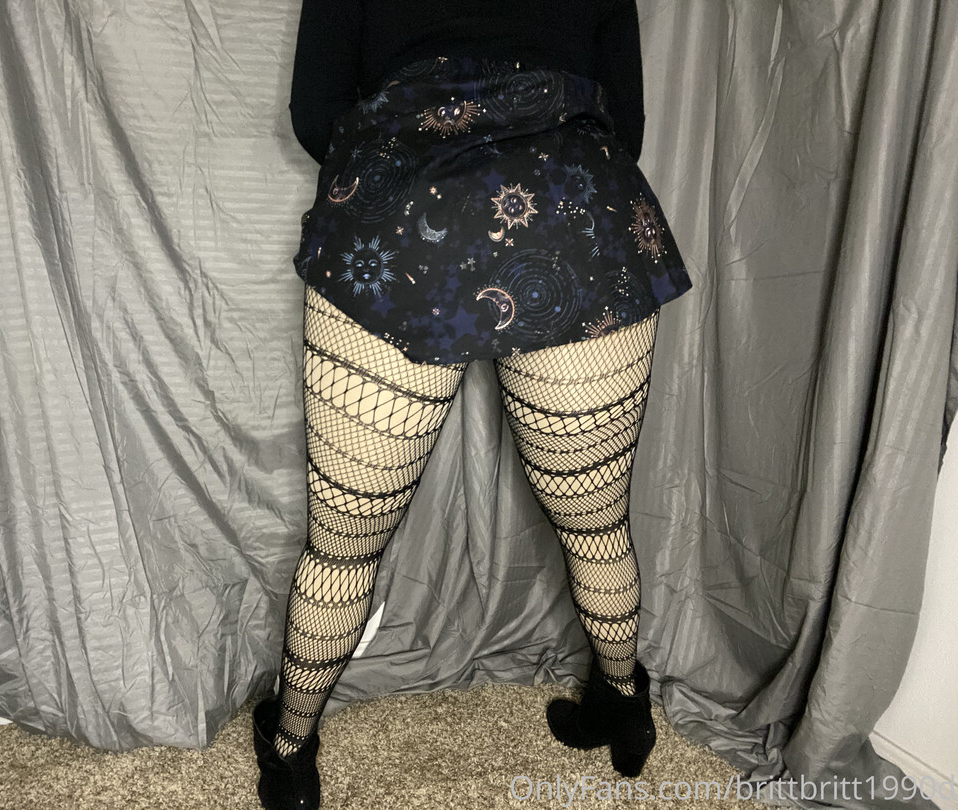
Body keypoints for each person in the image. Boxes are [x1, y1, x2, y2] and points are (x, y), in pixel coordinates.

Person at [251, 1, 694, 807]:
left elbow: (316, 113)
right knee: (597, 524)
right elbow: (624, 122)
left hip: (407, 210)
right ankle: (625, 707)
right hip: (572, 204)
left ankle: (289, 754)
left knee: (343, 548)